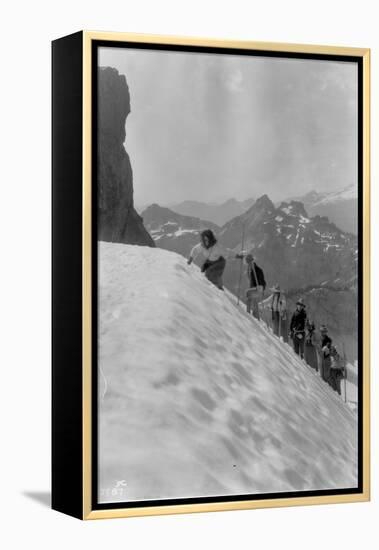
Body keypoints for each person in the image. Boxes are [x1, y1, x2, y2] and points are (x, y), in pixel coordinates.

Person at [243, 253, 266, 320]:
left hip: (259, 288)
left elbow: (261, 280)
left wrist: (260, 286)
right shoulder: (251, 270)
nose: (247, 264)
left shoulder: (256, 270)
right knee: (254, 301)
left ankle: (248, 313)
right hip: (257, 288)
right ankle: (256, 316)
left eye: (248, 262)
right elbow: (250, 279)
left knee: (248, 293)